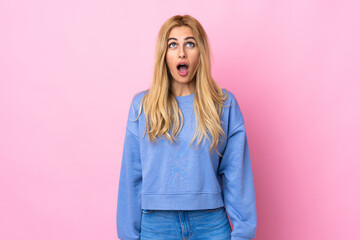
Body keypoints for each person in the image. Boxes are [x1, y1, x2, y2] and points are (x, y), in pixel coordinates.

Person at [116, 14, 257, 240]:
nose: (182, 52)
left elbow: (236, 174)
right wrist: (129, 235)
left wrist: (242, 233)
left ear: (200, 52)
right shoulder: (142, 106)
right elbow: (131, 175)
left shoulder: (224, 104)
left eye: (190, 44)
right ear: (164, 55)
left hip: (210, 224)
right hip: (156, 224)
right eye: (173, 45)